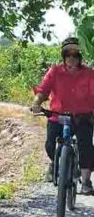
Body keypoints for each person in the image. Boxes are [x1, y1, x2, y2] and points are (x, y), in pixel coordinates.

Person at [31, 36, 94, 195]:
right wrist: (37, 102)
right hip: (58, 116)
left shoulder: (89, 74)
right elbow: (42, 90)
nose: (71, 58)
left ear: (79, 57)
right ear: (63, 55)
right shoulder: (55, 71)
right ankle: (54, 163)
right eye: (68, 54)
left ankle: (86, 182)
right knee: (50, 143)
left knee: (86, 146)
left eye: (75, 55)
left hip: (82, 116)